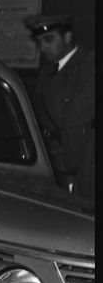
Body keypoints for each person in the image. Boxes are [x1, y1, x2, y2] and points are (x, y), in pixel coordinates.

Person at [24, 13, 95, 199]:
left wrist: (67, 169)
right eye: (39, 42)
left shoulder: (87, 66)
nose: (43, 48)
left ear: (68, 36)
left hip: (76, 165)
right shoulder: (50, 69)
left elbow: (76, 123)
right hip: (52, 160)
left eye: (49, 39)